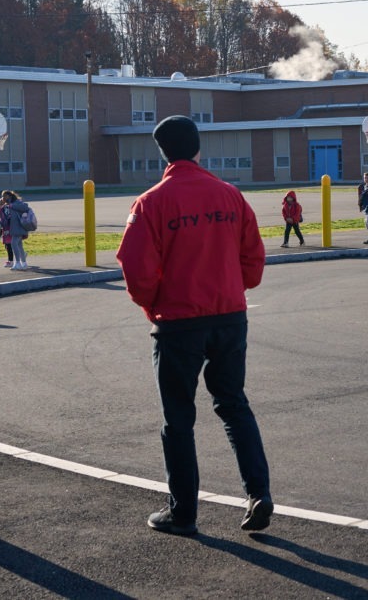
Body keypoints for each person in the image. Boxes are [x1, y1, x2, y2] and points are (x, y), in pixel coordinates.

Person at [116, 115, 272, 537]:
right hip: (228, 317)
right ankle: (258, 492)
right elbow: (253, 263)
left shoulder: (150, 202)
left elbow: (136, 269)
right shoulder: (231, 196)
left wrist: (154, 308)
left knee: (178, 418)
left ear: (162, 152)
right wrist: (227, 287)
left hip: (179, 323)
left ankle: (183, 511)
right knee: (233, 403)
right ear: (199, 148)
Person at [1, 190, 30, 270]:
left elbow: (25, 207)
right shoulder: (8, 205)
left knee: (14, 244)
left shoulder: (16, 202)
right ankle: (24, 263)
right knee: (19, 245)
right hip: (14, 228)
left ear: (10, 196)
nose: (3, 198)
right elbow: (7, 218)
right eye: (2, 196)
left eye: (5, 196)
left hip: (19, 227)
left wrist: (12, 205)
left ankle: (17, 263)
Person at [0, 195, 14, 267]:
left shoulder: (6, 209)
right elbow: (3, 219)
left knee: (9, 245)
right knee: (8, 245)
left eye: (1, 203)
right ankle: (22, 253)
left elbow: (7, 219)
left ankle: (11, 261)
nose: (0, 204)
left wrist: (7, 229)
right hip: (5, 228)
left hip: (8, 228)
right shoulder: (1, 209)